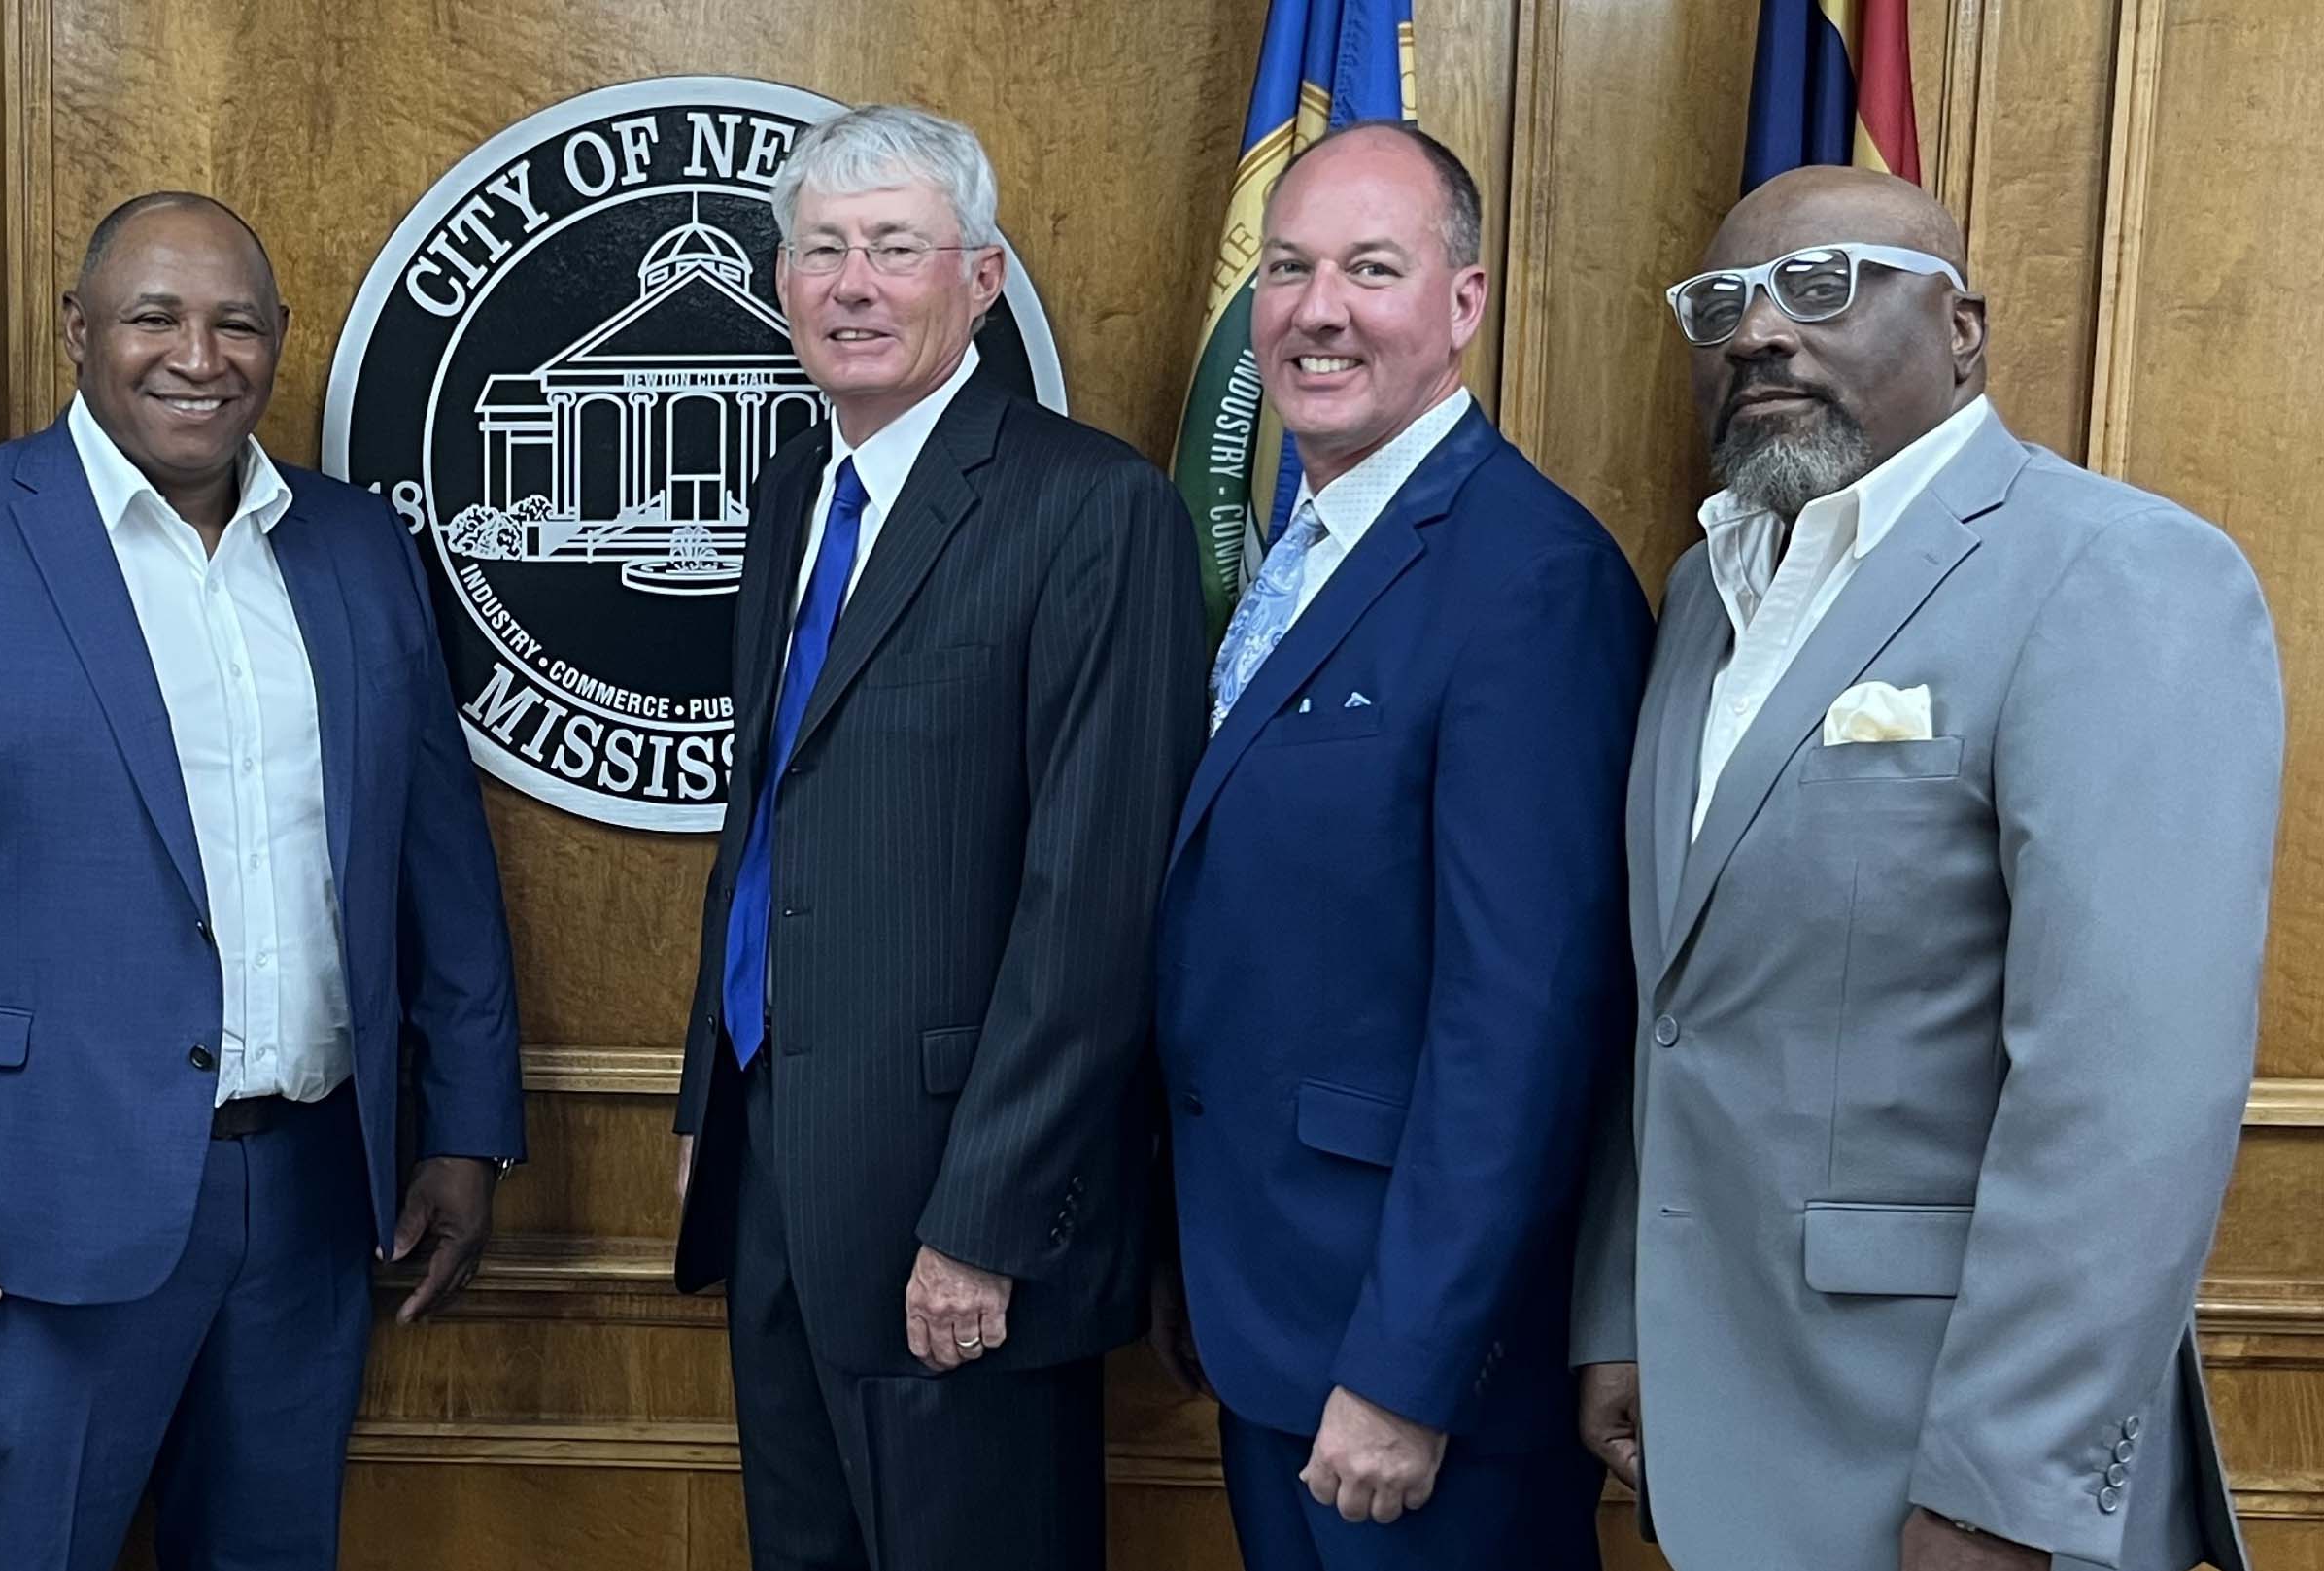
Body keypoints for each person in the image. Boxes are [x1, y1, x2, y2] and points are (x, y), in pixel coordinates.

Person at [0, 189, 524, 1571]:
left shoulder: (356, 547)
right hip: (20, 1218)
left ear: (279, 339)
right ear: (79, 330)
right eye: (155, 317)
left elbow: (440, 863)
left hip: (310, 1201)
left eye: (237, 324)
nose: (198, 357)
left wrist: (465, 1126)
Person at [1573, 164, 2273, 1571]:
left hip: (1951, 1467)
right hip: (1720, 1420)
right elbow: (1677, 1007)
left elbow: (2126, 1089)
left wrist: (2003, 1491)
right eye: (1723, 302)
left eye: (1823, 285)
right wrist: (1622, 1310)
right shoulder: (1705, 593)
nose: (1759, 330)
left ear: (1963, 330)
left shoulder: (2118, 572)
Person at [666, 104, 1207, 1571]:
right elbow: (769, 820)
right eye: (822, 250)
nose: (853, 285)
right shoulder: (794, 492)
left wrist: (985, 1221)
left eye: (896, 248)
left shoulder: (1095, 508)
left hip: (958, 1219)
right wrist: (715, 1103)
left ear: (980, 278)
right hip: (776, 1174)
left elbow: (1095, 907)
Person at [1148, 122, 1644, 1571]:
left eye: (1372, 268)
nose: (1319, 310)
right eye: (1288, 269)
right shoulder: (1306, 549)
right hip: (1266, 1313)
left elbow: (1523, 1023)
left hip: (1408, 1373)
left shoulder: (1530, 578)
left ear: (1464, 300)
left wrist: (1408, 1369)